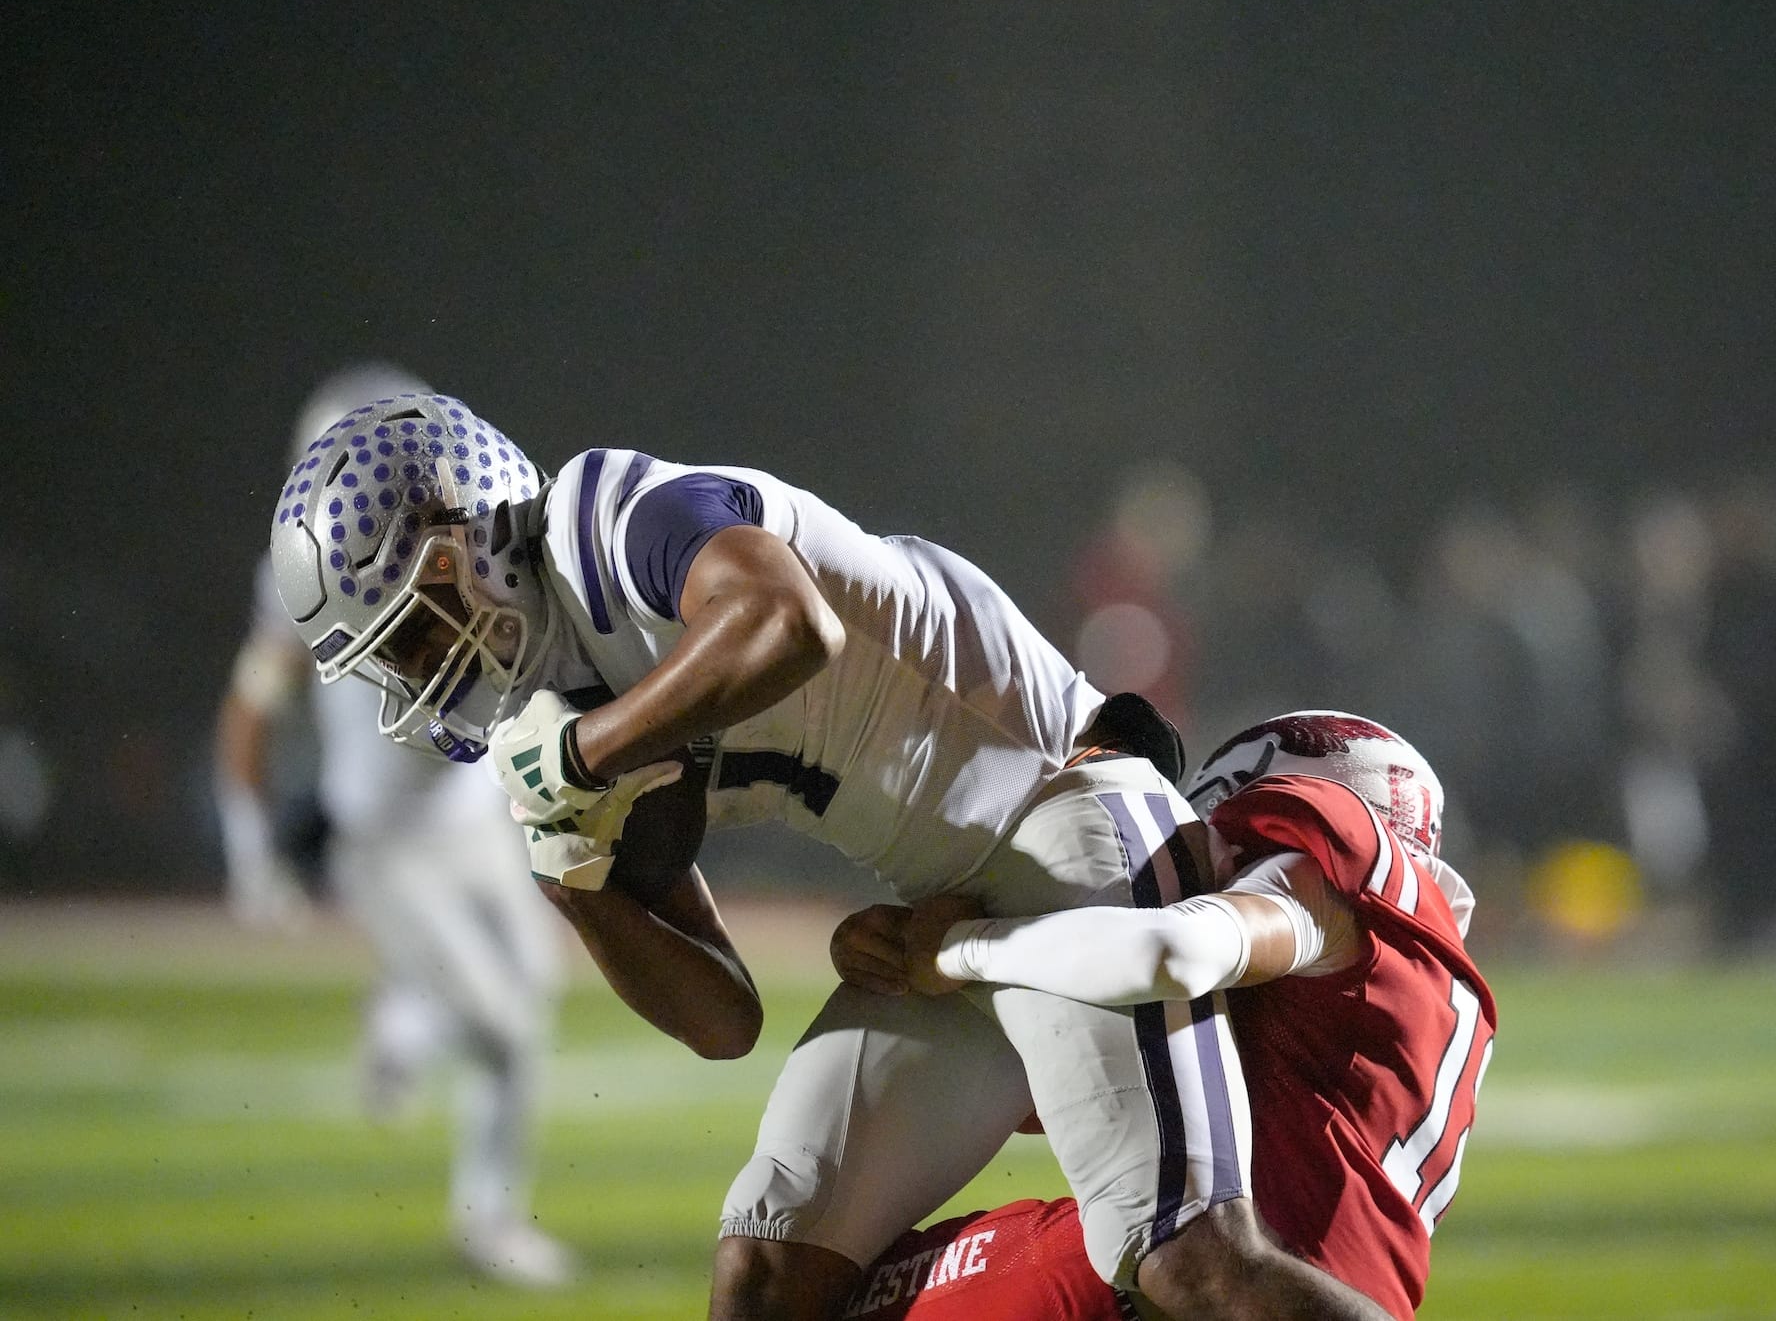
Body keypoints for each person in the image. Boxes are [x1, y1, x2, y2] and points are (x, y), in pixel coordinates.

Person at [264, 392, 1364, 1320]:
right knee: (765, 1275)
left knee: (1198, 1267)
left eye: (415, 627)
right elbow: (721, 1019)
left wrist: (585, 760)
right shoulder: (553, 722)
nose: (419, 674)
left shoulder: (605, 516)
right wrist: (579, 882)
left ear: (472, 537)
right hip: (942, 914)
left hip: (1068, 814)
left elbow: (787, 621)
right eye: (391, 660)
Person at [832, 711, 1495, 1321]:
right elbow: (1078, 1088)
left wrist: (960, 950)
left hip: (1225, 1277)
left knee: (836, 1294)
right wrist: (900, 955)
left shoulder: (1331, 871)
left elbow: (1175, 949)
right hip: (1328, 1294)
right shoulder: (1416, 984)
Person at [217, 367, 578, 1288]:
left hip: (475, 818)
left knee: (539, 980)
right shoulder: (301, 575)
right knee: (506, 1030)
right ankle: (488, 1216)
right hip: (388, 845)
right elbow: (252, 712)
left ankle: (401, 1026)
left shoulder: (460, 538)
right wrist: (251, 851)